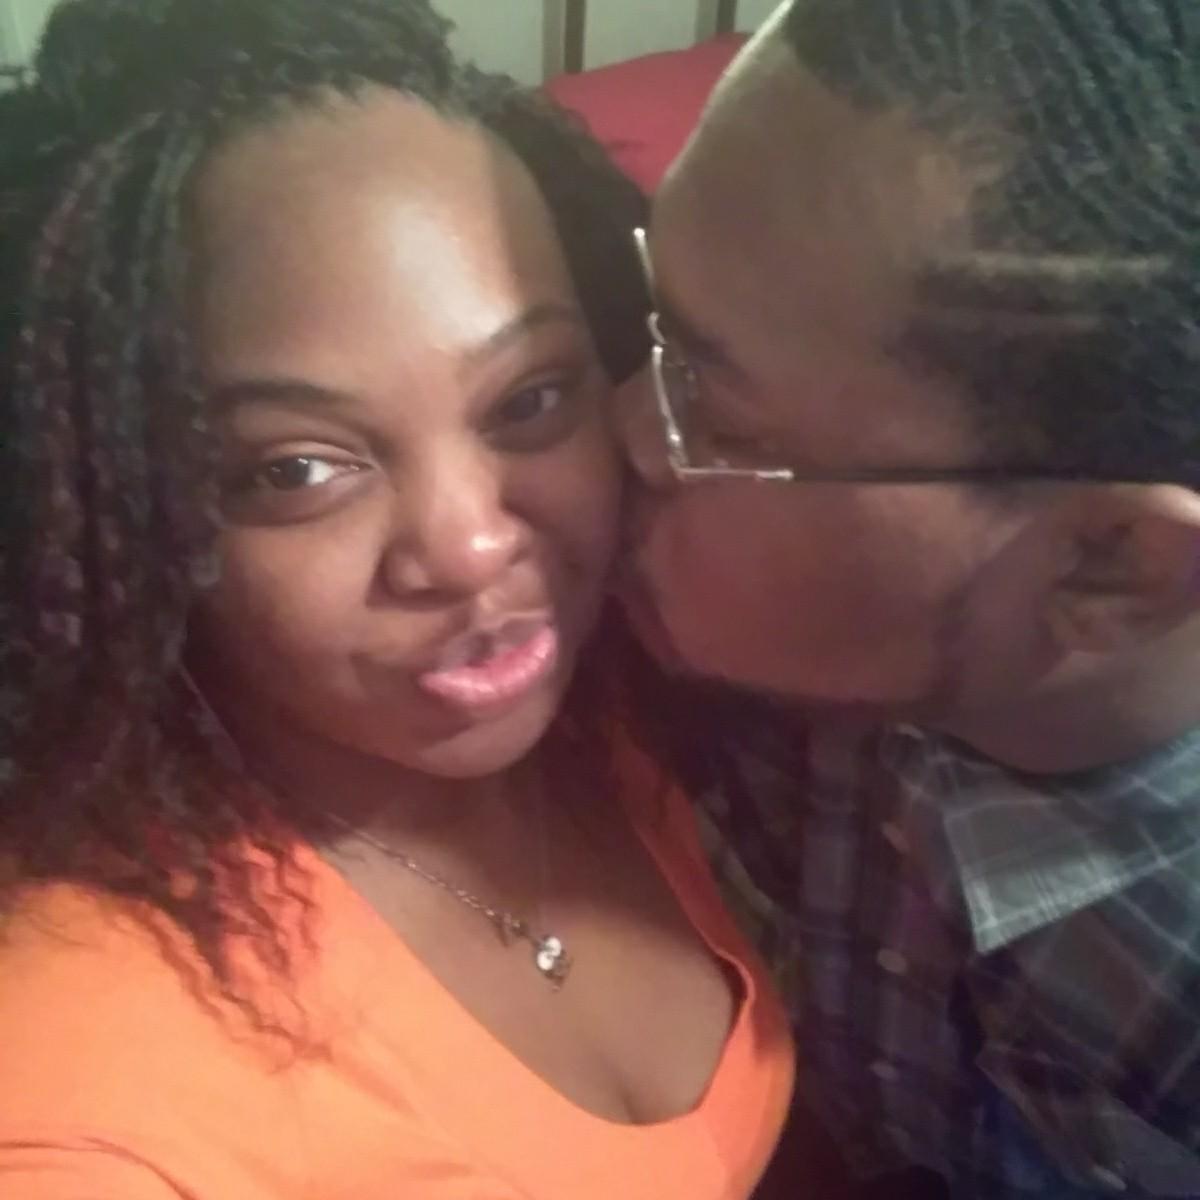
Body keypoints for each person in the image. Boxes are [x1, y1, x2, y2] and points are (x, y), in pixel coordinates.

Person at [0, 3, 795, 1197]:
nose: (470, 550)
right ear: (117, 511)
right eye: (295, 470)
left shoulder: (648, 689)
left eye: (529, 399)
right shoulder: (83, 1121)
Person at [620, 1, 1200, 1197]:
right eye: (655, 325)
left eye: (715, 416)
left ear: (1106, 567)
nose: (624, 430)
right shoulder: (781, 672)